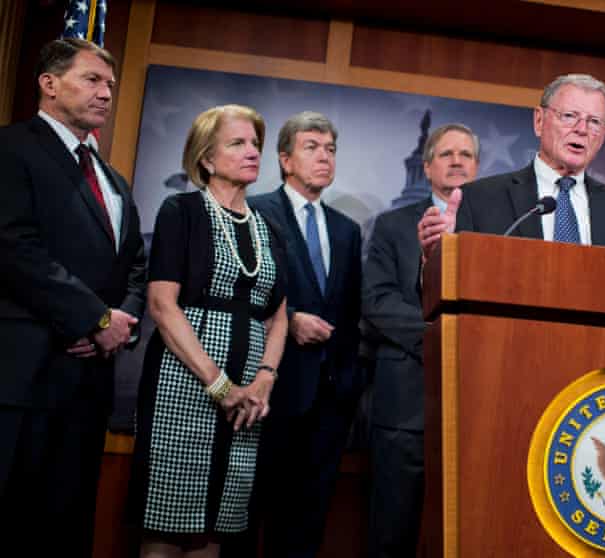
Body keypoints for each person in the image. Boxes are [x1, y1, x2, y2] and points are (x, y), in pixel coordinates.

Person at [0, 38, 146, 556]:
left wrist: (119, 320)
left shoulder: (113, 179)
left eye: (110, 84)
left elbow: (134, 266)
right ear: (49, 83)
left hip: (87, 388)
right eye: (92, 80)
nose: (106, 93)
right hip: (25, 380)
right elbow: (14, 246)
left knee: (67, 530)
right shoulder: (12, 148)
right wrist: (90, 318)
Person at [128, 105, 288, 558]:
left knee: (215, 526)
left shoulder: (268, 227)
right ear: (205, 158)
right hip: (185, 385)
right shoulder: (182, 210)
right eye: (237, 143)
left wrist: (264, 379)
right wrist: (219, 384)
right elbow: (162, 305)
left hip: (250, 400)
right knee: (168, 521)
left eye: (256, 143)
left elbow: (279, 316)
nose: (253, 151)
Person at [363, 124, 479, 557]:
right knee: (393, 529)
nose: (456, 161)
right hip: (406, 401)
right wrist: (442, 336)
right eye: (446, 154)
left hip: (474, 402)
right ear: (426, 166)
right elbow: (377, 301)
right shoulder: (392, 225)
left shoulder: (493, 229)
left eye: (465, 154)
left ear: (478, 167)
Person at [250, 111, 363, 558]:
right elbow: (242, 291)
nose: (324, 157)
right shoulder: (256, 210)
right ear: (285, 159)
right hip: (271, 388)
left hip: (331, 398)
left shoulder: (347, 230)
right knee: (254, 511)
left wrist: (349, 382)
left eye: (330, 149)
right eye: (312, 147)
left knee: (308, 519)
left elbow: (352, 310)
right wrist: (290, 318)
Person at [418, 74, 605, 253]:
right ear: (539, 120)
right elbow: (443, 292)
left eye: (593, 122)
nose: (581, 130)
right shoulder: (480, 200)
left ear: (604, 133)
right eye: (569, 116)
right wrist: (437, 257)